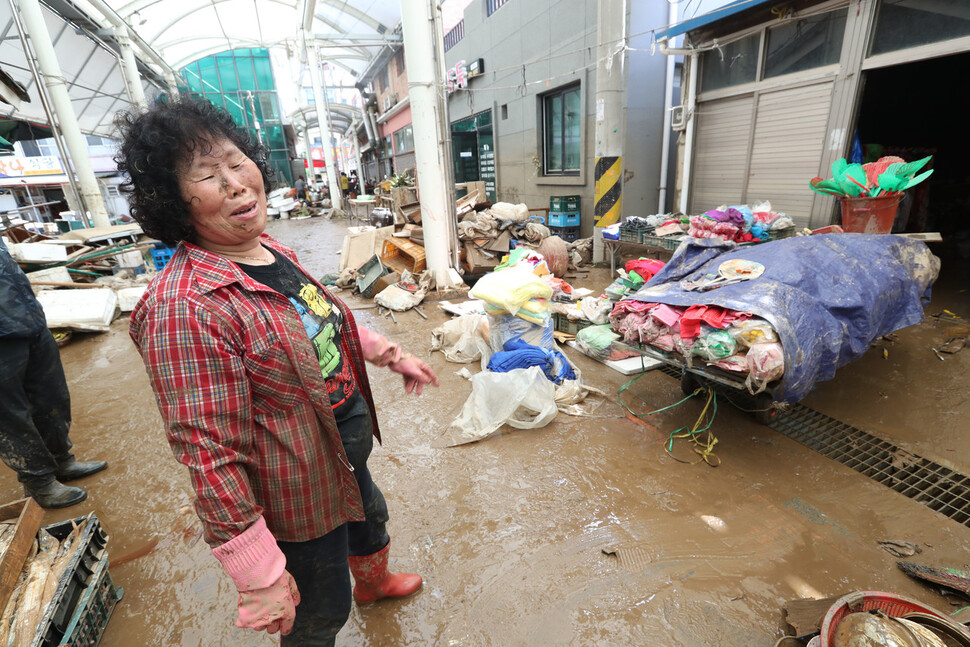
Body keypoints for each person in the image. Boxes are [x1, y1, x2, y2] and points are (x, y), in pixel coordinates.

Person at [116, 96, 438, 645]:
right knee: (316, 607)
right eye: (208, 175)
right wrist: (257, 572)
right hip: (296, 487)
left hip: (340, 447)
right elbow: (209, 453)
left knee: (370, 519)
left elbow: (319, 320)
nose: (237, 183)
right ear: (175, 201)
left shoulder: (266, 248)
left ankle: (375, 584)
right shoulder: (186, 307)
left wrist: (389, 354)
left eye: (237, 162)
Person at [0, 237, 108, 508]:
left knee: (52, 396)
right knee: (10, 414)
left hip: (29, 321)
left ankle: (62, 460)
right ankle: (39, 481)